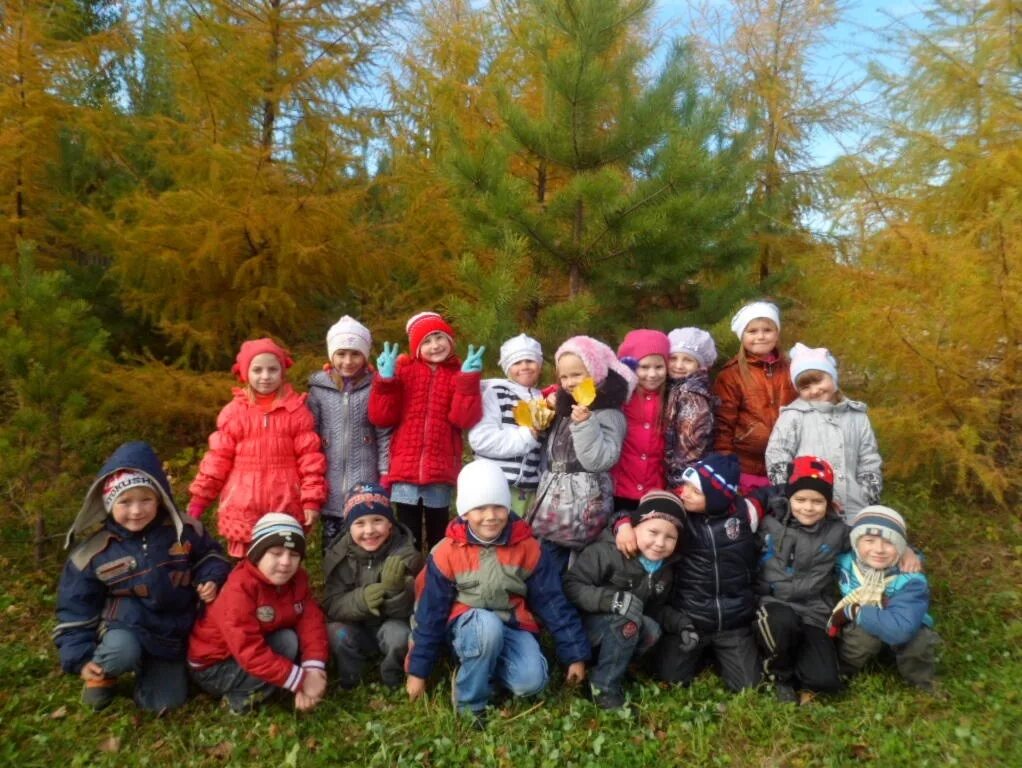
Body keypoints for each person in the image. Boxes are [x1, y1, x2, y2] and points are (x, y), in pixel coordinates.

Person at [406, 460, 589, 727]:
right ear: (465, 512)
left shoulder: (527, 548)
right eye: (480, 508)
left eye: (498, 506)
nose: (490, 515)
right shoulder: (447, 552)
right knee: (486, 628)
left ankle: (484, 670)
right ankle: (470, 703)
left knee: (530, 682)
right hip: (467, 627)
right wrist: (418, 672)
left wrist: (575, 656)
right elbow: (430, 614)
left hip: (511, 625)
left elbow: (553, 603)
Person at [54, 441, 231, 712]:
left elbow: (211, 556)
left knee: (163, 704)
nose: (136, 511)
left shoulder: (184, 530)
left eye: (146, 499)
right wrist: (79, 657)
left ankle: (157, 668)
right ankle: (106, 672)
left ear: (159, 498)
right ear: (108, 502)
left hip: (172, 630)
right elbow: (75, 606)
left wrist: (210, 577)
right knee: (121, 651)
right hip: (126, 627)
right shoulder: (94, 551)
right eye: (125, 502)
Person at [188, 338, 327, 557]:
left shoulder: (297, 412)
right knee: (247, 569)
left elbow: (310, 460)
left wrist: (311, 499)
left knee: (282, 563)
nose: (265, 376)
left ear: (282, 372)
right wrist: (199, 501)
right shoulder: (233, 412)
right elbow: (217, 460)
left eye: (272, 369)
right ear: (245, 373)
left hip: (285, 502)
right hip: (243, 504)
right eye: (257, 369)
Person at [188, 514, 330, 713]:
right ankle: (237, 702)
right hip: (214, 666)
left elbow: (311, 622)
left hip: (250, 649)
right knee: (285, 645)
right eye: (276, 553)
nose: (286, 562)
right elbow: (248, 649)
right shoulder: (239, 588)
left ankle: (278, 687)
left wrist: (314, 668)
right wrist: (301, 681)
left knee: (287, 640)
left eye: (294, 555)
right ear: (257, 555)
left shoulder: (297, 580)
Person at [368, 311, 484, 552]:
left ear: (450, 341)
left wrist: (468, 381)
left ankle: (436, 580)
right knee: (406, 539)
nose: (434, 346)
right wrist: (386, 381)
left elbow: (463, 419)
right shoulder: (405, 371)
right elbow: (381, 417)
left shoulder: (458, 374)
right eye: (427, 341)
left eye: (439, 337)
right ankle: (408, 582)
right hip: (405, 470)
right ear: (416, 348)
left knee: (438, 538)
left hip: (440, 469)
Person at [563, 489, 689, 709]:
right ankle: (604, 688)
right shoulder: (606, 551)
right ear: (634, 527)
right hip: (589, 627)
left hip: (624, 628)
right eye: (653, 532)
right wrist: (612, 600)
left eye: (670, 537)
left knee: (652, 629)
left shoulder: (665, 570)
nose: (660, 542)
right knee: (628, 622)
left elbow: (656, 609)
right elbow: (572, 586)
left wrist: (682, 624)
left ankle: (612, 667)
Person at [651, 453, 762, 692]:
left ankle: (723, 653)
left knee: (748, 685)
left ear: (717, 498)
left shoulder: (745, 514)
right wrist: (622, 526)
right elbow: (642, 515)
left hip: (733, 620)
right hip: (692, 617)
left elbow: (771, 494)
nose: (685, 493)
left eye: (695, 491)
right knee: (671, 678)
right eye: (686, 486)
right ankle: (699, 653)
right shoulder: (679, 515)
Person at [528, 335, 636, 572]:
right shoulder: (565, 407)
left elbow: (599, 460)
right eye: (564, 376)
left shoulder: (608, 412)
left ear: (595, 371)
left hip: (584, 502)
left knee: (567, 567)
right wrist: (541, 423)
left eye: (576, 375)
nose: (568, 382)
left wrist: (585, 424)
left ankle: (563, 607)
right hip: (553, 500)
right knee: (545, 563)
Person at [749, 456, 846, 703]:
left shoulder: (838, 531)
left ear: (829, 502)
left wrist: (908, 551)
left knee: (825, 682)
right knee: (781, 624)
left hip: (813, 610)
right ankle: (779, 675)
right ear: (789, 498)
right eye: (800, 499)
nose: (808, 507)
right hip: (773, 603)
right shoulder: (768, 524)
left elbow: (873, 542)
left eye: (817, 501)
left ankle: (800, 661)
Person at [765, 343, 883, 523]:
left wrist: (867, 494)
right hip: (810, 511)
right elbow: (777, 457)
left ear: (833, 377)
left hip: (854, 508)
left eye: (818, 380)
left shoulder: (857, 416)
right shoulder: (794, 416)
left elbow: (869, 459)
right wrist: (791, 495)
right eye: (805, 387)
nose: (814, 390)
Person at [322, 483, 423, 689]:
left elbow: (417, 608)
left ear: (390, 524)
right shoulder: (337, 556)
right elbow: (331, 604)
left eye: (377, 520)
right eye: (360, 523)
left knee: (400, 636)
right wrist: (361, 600)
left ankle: (392, 677)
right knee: (335, 633)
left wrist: (397, 592)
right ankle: (352, 678)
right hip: (355, 628)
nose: (369, 530)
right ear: (349, 528)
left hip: (390, 625)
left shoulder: (407, 555)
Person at [828, 505, 940, 692]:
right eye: (869, 540)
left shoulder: (911, 579)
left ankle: (924, 685)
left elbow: (900, 629)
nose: (878, 549)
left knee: (918, 642)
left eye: (889, 542)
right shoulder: (843, 561)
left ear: (901, 548)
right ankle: (843, 670)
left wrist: (855, 611)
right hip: (866, 627)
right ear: (855, 543)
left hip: (901, 629)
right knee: (861, 638)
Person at [308, 315, 392, 548]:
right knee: (333, 547)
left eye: (355, 354)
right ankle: (335, 585)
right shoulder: (318, 389)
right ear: (331, 355)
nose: (348, 361)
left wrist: (384, 472)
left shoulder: (375, 386)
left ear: (365, 355)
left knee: (365, 544)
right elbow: (309, 437)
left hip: (365, 484)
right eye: (341, 354)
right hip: (330, 487)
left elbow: (384, 434)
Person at [713, 301, 798, 495]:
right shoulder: (731, 374)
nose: (760, 336)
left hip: (787, 463)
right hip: (745, 467)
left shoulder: (792, 369)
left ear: (777, 333)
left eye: (767, 330)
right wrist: (726, 464)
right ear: (742, 336)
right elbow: (723, 424)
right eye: (752, 331)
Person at [468, 333, 546, 515]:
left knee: (520, 539)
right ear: (507, 367)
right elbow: (481, 440)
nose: (524, 366)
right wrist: (527, 436)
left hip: (528, 491)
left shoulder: (543, 400)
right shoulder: (496, 394)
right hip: (495, 486)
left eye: (530, 360)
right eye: (517, 363)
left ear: (540, 365)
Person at [611, 329, 671, 515]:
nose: (652, 374)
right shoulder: (620, 395)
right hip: (620, 486)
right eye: (644, 367)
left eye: (659, 367)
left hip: (655, 489)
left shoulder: (671, 396)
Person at [664, 326, 718, 488]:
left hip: (682, 477)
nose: (678, 365)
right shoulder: (675, 387)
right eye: (673, 358)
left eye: (687, 360)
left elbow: (691, 444)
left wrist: (679, 480)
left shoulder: (691, 394)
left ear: (700, 365)